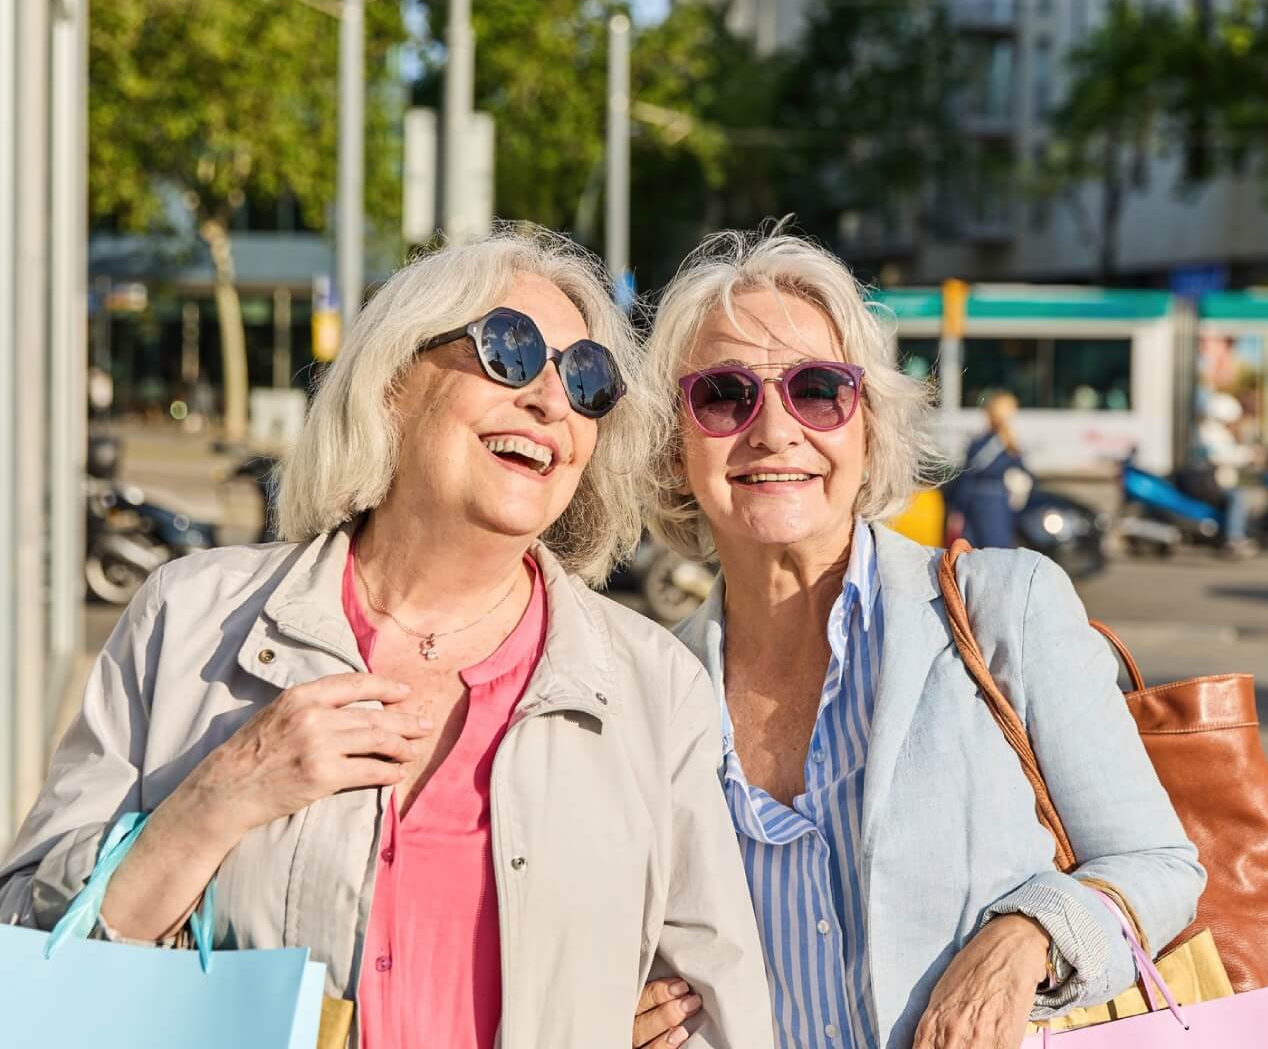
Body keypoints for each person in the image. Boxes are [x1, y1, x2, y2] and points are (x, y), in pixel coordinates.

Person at [0, 227, 773, 1049]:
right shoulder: (189, 620)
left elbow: (716, 1014)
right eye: (509, 352)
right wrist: (217, 798)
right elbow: (29, 946)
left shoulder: (654, 687)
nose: (551, 401)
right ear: (395, 380)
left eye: (586, 380)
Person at [627, 228, 1204, 1049]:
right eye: (724, 395)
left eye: (817, 389)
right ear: (672, 443)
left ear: (867, 427)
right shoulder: (651, 687)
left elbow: (1159, 864)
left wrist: (1030, 935)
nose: (773, 430)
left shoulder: (1005, 606)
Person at [946, 389, 1028, 549]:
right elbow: (1027, 476)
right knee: (999, 556)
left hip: (976, 504)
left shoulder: (978, 444)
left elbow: (966, 479)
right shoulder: (1011, 447)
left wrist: (957, 510)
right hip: (1002, 505)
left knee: (974, 556)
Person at [1190, 389, 1259, 557]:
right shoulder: (1209, 432)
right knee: (1237, 497)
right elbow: (1220, 455)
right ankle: (1234, 539)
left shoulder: (1213, 431)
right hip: (1205, 480)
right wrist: (1248, 455)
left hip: (1209, 479)